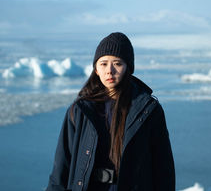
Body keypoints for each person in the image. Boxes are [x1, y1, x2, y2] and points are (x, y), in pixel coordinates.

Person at [46, 32, 175, 191]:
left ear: (128, 67)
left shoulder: (148, 111)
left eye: (117, 63)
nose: (110, 71)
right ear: (96, 69)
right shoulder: (80, 110)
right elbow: (61, 167)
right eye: (103, 63)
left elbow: (163, 168)